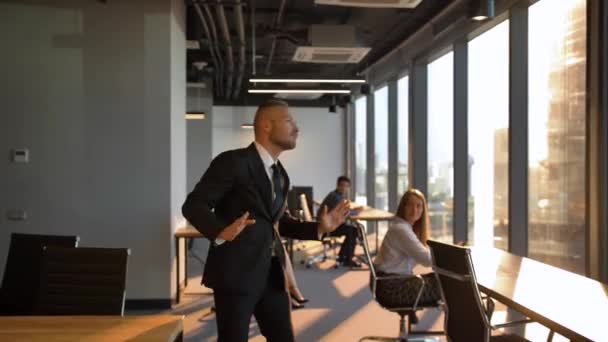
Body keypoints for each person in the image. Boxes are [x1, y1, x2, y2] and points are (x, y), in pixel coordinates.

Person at [182, 99, 350, 342]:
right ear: (266, 126)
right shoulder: (233, 162)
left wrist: (320, 227)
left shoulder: (280, 174)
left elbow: (280, 223)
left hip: (271, 276)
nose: (296, 127)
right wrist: (220, 232)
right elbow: (194, 205)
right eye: (289, 120)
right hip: (236, 274)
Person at [373, 188, 441, 323]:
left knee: (443, 280)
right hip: (392, 288)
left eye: (418, 206)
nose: (414, 210)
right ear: (402, 207)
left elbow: (422, 254)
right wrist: (452, 255)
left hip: (388, 282)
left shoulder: (403, 227)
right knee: (451, 284)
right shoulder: (401, 230)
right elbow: (427, 260)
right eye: (410, 205)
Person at [318, 176, 363, 268]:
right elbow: (344, 213)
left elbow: (342, 210)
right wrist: (357, 211)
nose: (344, 188)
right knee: (352, 231)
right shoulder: (335, 197)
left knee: (351, 230)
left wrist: (352, 209)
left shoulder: (335, 195)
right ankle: (346, 259)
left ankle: (343, 257)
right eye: (342, 185)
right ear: (337, 185)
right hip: (327, 227)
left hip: (326, 225)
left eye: (346, 186)